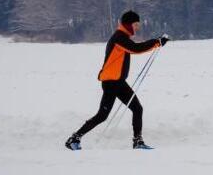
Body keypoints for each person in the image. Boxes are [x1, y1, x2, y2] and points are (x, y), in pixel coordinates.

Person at [65, 10, 169, 150]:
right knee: (102, 115)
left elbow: (134, 48)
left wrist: (157, 43)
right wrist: (157, 42)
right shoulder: (119, 38)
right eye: (136, 24)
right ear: (128, 24)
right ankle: (74, 138)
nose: (138, 27)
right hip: (110, 83)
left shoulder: (123, 37)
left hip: (118, 82)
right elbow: (136, 49)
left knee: (137, 109)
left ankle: (137, 142)